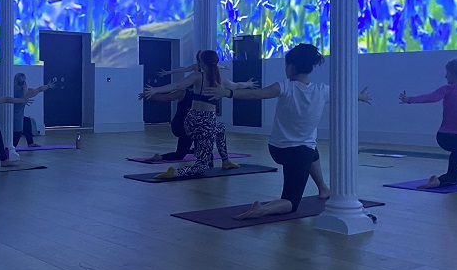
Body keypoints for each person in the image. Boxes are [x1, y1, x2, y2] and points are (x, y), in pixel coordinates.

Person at [202, 43, 371, 219]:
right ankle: (262, 209)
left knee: (312, 150)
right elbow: (346, 95)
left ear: (291, 67)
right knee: (291, 203)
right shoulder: (323, 91)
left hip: (276, 149)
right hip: (298, 154)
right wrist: (361, 97)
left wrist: (227, 93)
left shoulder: (284, 87)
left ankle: (323, 189)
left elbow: (256, 94)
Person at [141, 50, 257, 179]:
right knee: (202, 166)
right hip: (206, 124)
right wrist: (249, 84)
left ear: (202, 63)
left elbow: (177, 85)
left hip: (191, 121)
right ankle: (175, 173)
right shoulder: (220, 80)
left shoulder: (197, 76)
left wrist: (155, 89)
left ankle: (226, 161)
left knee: (221, 128)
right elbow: (236, 85)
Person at [399, 57, 457, 189]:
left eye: (447, 73)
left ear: (453, 74)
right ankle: (439, 181)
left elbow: (431, 97)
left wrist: (409, 100)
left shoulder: (448, 89)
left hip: (443, 137)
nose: (445, 76)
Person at [138, 88, 195, 162]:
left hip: (178, 124)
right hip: (185, 127)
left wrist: (151, 96)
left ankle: (196, 149)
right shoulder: (185, 92)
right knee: (179, 155)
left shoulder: (183, 92)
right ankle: (160, 157)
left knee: (199, 130)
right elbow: (167, 97)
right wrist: (151, 95)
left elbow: (167, 97)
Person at [10, 73, 56, 147]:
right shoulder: (26, 92)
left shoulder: (9, 89)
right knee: (13, 144)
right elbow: (39, 89)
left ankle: (30, 143)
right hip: (16, 119)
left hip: (11, 117)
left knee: (27, 121)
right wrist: (48, 86)